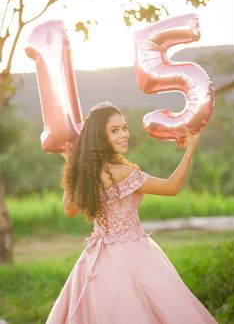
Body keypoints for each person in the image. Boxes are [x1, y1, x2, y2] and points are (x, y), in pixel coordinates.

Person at [46, 101, 218, 324]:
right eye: (115, 130)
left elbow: (69, 209)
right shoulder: (120, 173)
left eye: (124, 128)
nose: (124, 134)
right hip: (132, 252)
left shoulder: (86, 173)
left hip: (96, 259)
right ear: (100, 137)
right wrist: (190, 149)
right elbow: (171, 187)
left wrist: (71, 163)